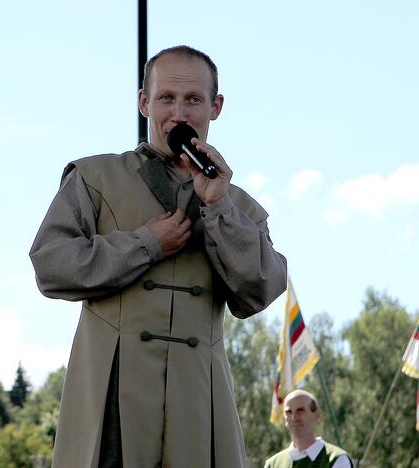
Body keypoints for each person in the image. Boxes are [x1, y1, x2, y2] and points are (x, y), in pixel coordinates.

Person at [29, 45, 288, 467]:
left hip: (200, 406)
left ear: (215, 107)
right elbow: (51, 265)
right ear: (144, 102)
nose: (179, 113)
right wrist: (146, 243)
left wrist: (218, 208)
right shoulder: (94, 178)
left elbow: (260, 289)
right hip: (111, 400)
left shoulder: (237, 204)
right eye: (166, 98)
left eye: (193, 100)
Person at [265, 389, 352, 468]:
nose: (294, 417)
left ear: (317, 415)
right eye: (289, 412)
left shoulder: (336, 459)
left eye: (300, 410)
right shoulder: (273, 464)